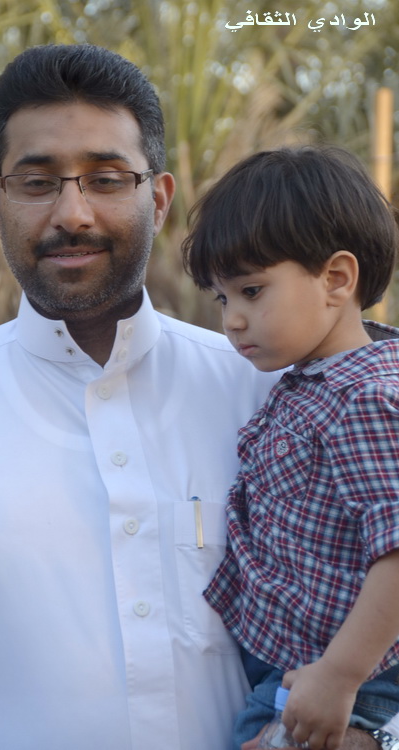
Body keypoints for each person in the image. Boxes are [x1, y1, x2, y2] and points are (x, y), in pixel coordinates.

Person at [0, 43, 282, 750]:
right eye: (37, 182)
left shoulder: (262, 393)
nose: (72, 213)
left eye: (106, 179)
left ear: (158, 199)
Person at [182, 145, 399, 750]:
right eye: (223, 298)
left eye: (252, 291)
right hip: (302, 668)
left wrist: (340, 675)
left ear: (337, 279)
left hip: (348, 681)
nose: (232, 319)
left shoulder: (365, 399)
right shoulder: (310, 383)